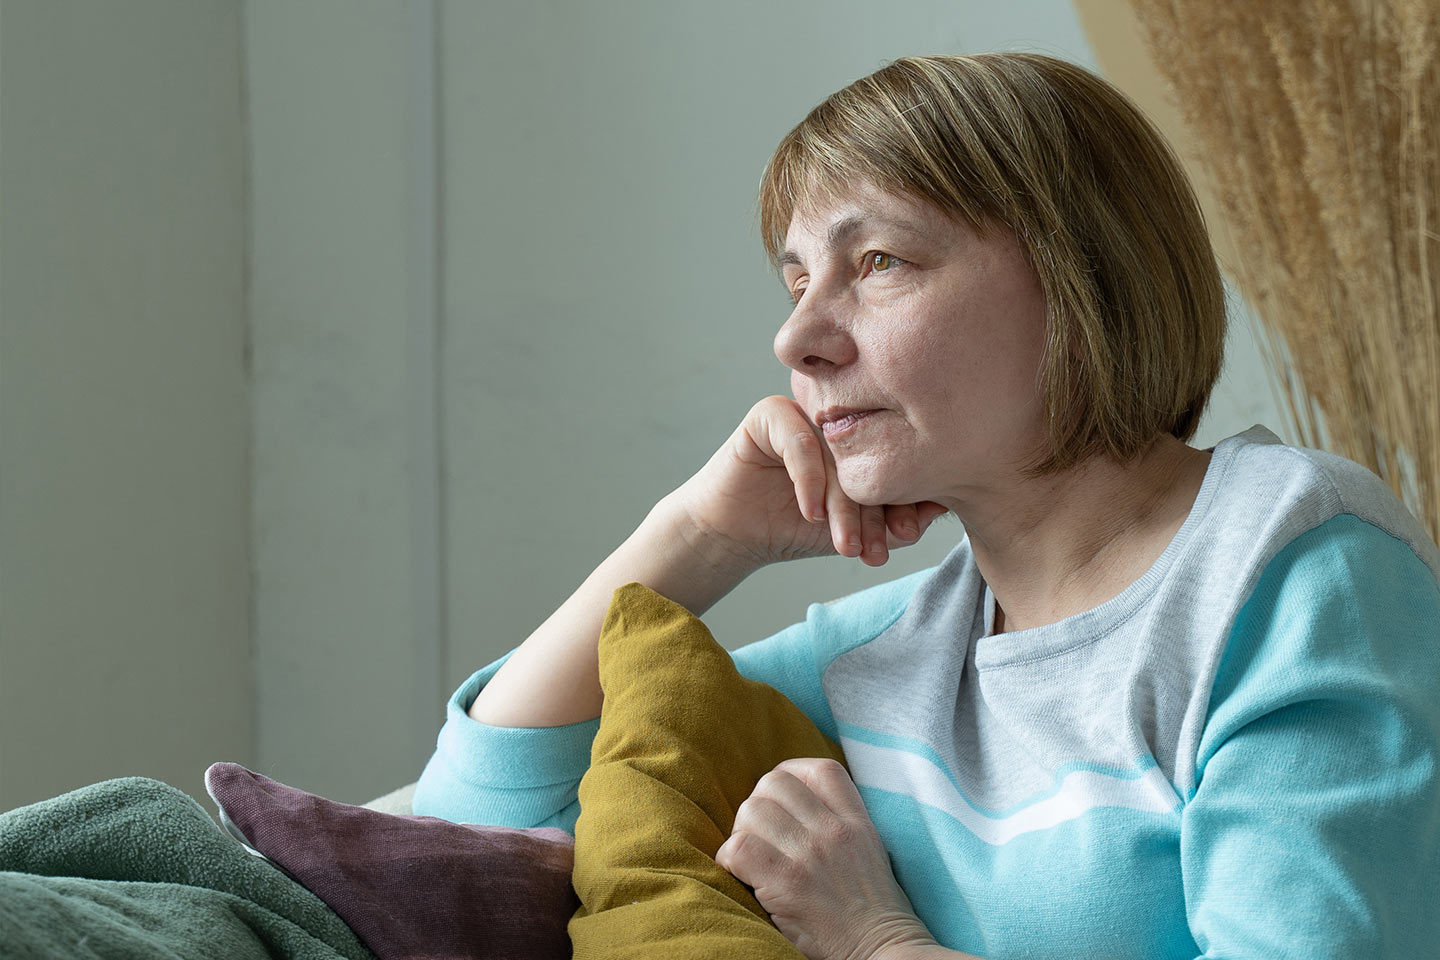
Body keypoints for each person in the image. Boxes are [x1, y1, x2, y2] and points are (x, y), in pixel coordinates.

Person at [412, 53, 1440, 960]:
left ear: (1083, 275)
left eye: (878, 263)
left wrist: (875, 939)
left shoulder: (1294, 578)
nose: (797, 340)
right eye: (795, 280)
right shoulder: (910, 650)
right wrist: (700, 535)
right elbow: (481, 817)